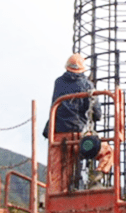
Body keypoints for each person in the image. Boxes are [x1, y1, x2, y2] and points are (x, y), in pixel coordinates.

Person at [43, 53, 102, 193]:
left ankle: (55, 198)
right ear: (82, 69)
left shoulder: (58, 82)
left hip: (56, 133)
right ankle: (96, 178)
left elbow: (55, 105)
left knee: (58, 171)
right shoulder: (87, 85)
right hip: (77, 134)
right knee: (107, 152)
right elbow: (97, 115)